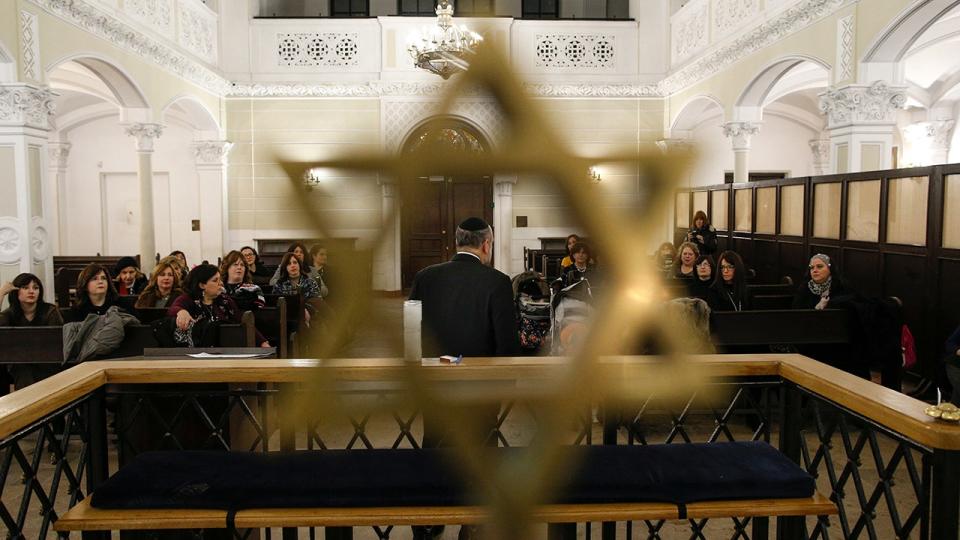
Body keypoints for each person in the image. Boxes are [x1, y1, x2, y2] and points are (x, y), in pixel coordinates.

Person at [409, 217, 518, 540]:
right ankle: (474, 523)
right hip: (481, 388)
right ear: (486, 245)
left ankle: (431, 517)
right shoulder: (497, 281)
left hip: (436, 383)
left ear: (457, 242)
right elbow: (507, 345)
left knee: (436, 445)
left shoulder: (425, 277)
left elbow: (410, 333)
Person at [168, 264, 269, 348]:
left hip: (225, 349)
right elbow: (174, 308)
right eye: (215, 280)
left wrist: (262, 342)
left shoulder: (224, 300)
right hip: (195, 351)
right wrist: (181, 312)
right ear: (202, 285)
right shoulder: (189, 298)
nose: (220, 283)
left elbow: (241, 320)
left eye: (220, 279)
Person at [0, 274, 64, 389]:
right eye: (25, 288)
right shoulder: (9, 314)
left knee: (42, 371)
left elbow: (56, 341)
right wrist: (1, 293)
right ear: (16, 292)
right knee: (24, 371)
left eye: (35, 288)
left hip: (47, 360)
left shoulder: (50, 311)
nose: (31, 291)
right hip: (19, 361)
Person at [272, 252, 323, 327]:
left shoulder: (310, 282)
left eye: (295, 262)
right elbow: (276, 304)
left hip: (310, 317)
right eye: (289, 264)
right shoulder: (279, 284)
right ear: (285, 268)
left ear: (299, 265)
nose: (292, 266)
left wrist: (305, 309)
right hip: (287, 318)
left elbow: (317, 302)